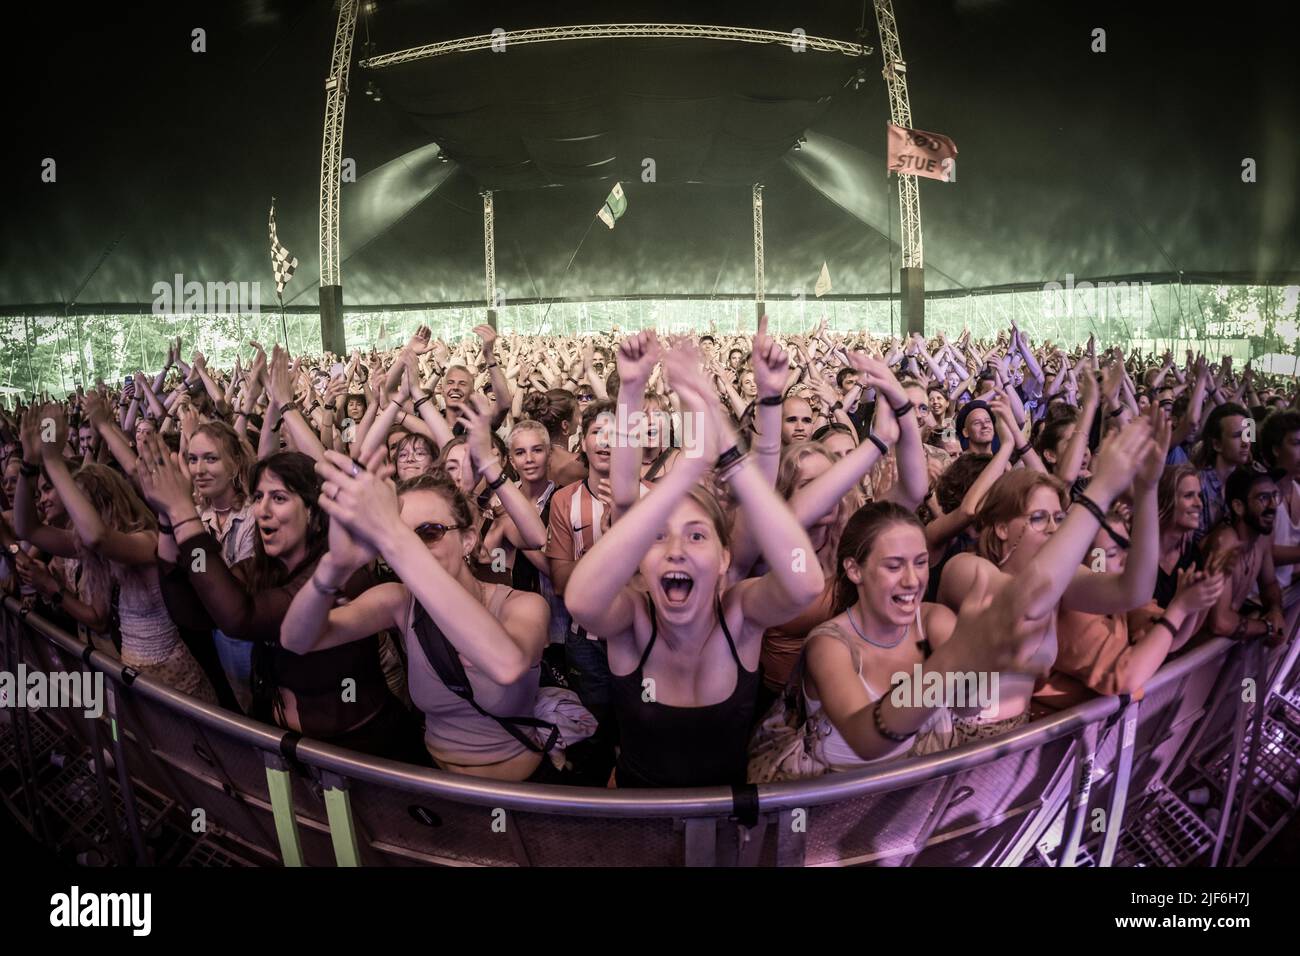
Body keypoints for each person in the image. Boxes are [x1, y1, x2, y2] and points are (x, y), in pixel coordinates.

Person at [565, 340, 824, 787]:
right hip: (640, 824)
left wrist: (754, 414)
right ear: (637, 557)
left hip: (726, 825)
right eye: (658, 536)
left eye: (697, 535)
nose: (677, 549)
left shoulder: (741, 615)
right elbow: (583, 598)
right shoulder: (632, 621)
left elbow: (803, 582)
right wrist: (631, 391)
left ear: (725, 558)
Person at [280, 461, 552, 781]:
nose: (413, 549)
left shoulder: (522, 605)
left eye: (429, 533)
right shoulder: (399, 601)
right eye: (404, 537)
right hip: (434, 781)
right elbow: (297, 639)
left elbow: (507, 665)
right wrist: (334, 567)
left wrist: (394, 535)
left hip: (519, 790)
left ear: (467, 540)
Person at [18, 405, 216, 701]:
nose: (74, 515)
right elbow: (28, 529)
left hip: (174, 676)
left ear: (103, 504)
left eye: (78, 505)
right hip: (133, 673)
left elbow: (98, 536)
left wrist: (53, 459)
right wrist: (29, 464)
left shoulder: (148, 541)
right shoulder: (90, 544)